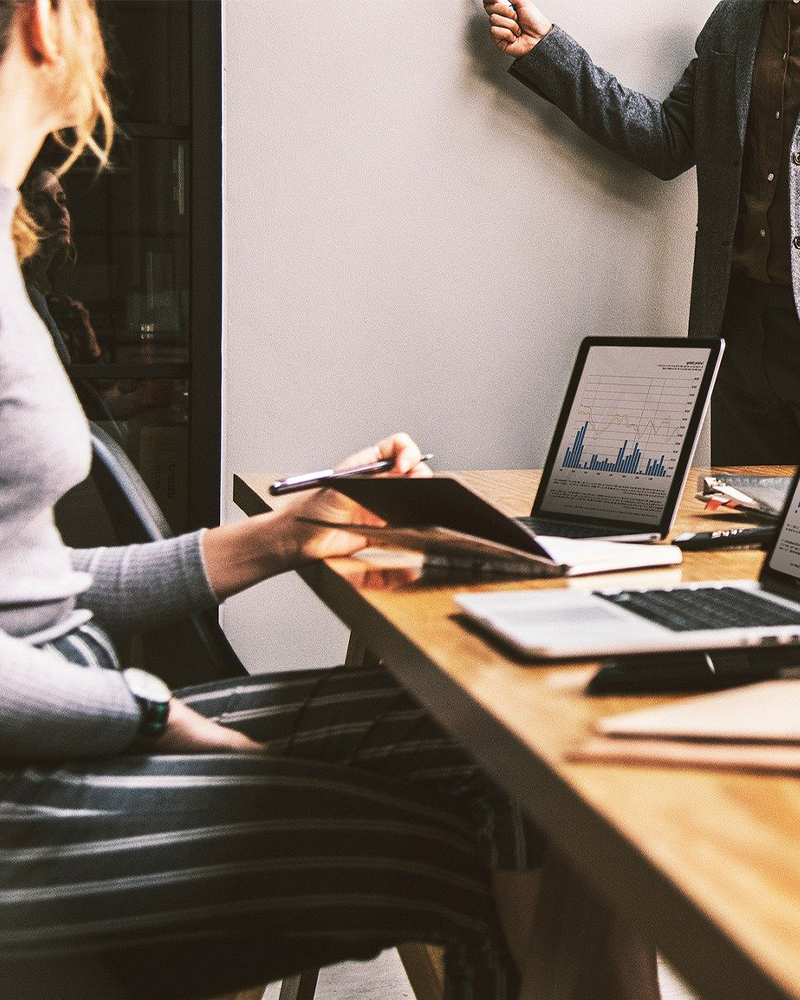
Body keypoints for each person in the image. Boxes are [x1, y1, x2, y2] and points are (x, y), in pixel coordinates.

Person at [0, 2, 546, 998]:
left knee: (513, 744)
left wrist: (287, 534)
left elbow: (28, 590)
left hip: (62, 738)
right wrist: (151, 715)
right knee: (454, 857)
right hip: (32, 795)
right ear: (45, 23)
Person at [483, 0, 800, 467]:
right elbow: (668, 139)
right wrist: (547, 48)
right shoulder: (736, 17)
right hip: (739, 325)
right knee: (747, 524)